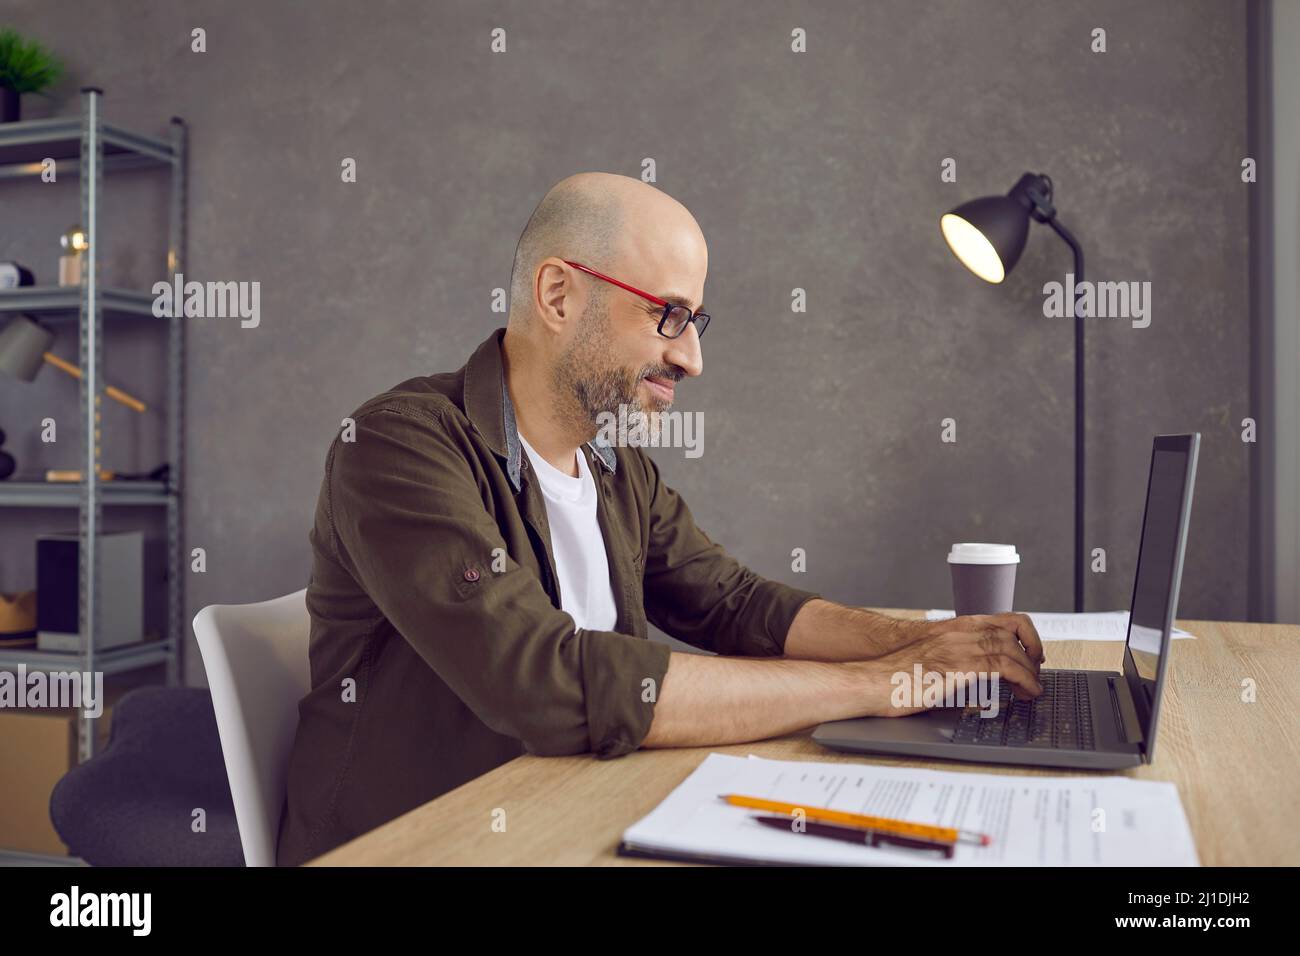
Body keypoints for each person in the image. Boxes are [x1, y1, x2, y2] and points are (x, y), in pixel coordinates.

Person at [276, 172, 1044, 866]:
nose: (692, 360)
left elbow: (734, 602)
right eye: (667, 316)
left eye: (694, 323)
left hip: (580, 814)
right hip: (436, 845)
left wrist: (921, 643)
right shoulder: (399, 444)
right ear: (557, 295)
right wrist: (880, 686)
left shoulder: (617, 468)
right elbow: (544, 681)